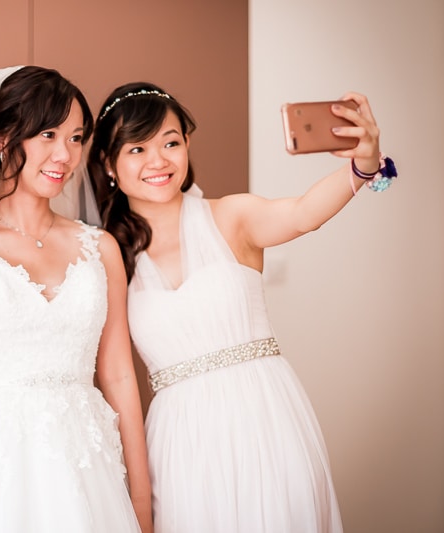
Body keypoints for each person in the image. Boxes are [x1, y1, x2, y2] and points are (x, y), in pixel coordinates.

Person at [88, 82, 396, 533]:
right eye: (137, 149)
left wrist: (364, 165)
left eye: (171, 143)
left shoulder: (231, 217)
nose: (158, 161)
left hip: (266, 414)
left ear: (187, 145)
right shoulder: (108, 254)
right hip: (180, 438)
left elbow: (303, 213)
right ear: (109, 163)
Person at [0, 66, 153, 533]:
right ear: (1, 137)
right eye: (48, 134)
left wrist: (141, 497)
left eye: (77, 137)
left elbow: (120, 376)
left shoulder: (100, 248)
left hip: (88, 464)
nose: (65, 154)